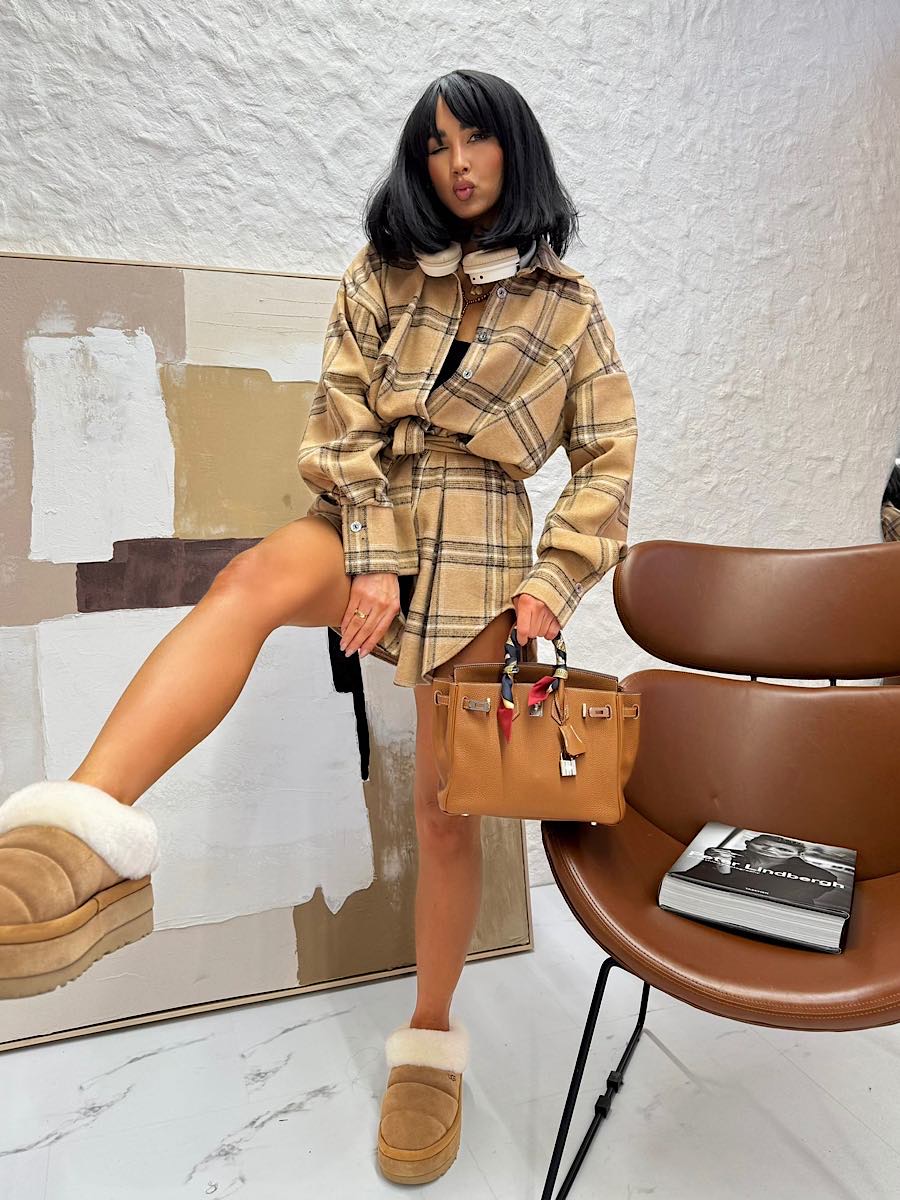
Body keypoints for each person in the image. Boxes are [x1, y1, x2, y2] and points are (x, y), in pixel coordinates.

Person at [0, 69, 639, 1184]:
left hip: (487, 540)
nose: (456, 164)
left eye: (475, 139)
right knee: (250, 582)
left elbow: (608, 460)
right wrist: (376, 553)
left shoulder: (570, 307)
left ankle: (430, 1041)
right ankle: (80, 833)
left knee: (444, 814)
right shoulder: (379, 272)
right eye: (435, 145)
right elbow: (340, 420)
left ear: (515, 148)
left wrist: (552, 583)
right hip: (370, 504)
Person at [678, 833, 843, 907]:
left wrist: (725, 872)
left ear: (798, 855)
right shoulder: (722, 854)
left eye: (783, 849)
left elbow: (777, 899)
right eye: (762, 845)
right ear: (748, 844)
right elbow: (691, 880)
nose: (770, 850)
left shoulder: (819, 876)